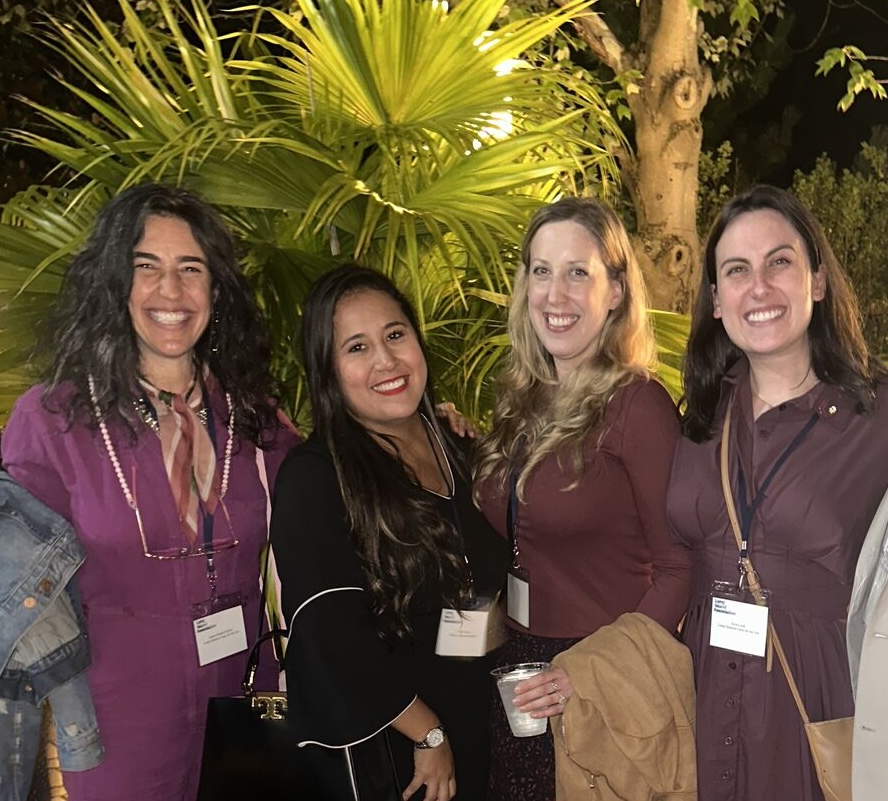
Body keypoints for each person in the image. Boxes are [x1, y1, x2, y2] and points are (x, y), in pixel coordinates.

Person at [1, 183, 299, 801]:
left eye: (191, 269)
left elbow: (336, 490)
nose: (171, 292)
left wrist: (419, 432)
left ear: (216, 292)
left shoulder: (256, 418)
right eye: (147, 267)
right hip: (115, 712)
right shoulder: (52, 420)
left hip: (242, 695)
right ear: (117, 284)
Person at [667, 184, 888, 801]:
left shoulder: (878, 420)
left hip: (817, 706)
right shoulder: (696, 418)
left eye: (779, 262)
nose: (758, 287)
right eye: (736, 270)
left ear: (816, 280)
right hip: (701, 701)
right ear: (716, 300)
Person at [472, 196, 692, 801]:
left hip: (600, 677)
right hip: (519, 670)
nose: (555, 293)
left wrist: (591, 671)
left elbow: (678, 567)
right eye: (541, 271)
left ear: (616, 290)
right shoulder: (519, 401)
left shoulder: (637, 407)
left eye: (578, 272)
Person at [269, 264, 509, 801]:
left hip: (480, 726)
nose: (386, 361)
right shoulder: (317, 475)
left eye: (395, 334)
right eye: (356, 347)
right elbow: (330, 630)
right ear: (328, 371)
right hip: (397, 752)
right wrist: (427, 730)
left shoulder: (460, 447)